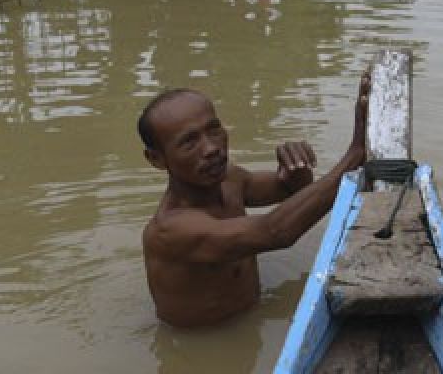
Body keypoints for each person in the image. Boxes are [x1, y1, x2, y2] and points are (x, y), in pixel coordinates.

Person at [139, 73, 370, 327]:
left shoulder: (229, 179)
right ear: (156, 159)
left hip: (249, 325)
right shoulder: (170, 231)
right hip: (200, 347)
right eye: (189, 141)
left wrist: (296, 174)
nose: (211, 148)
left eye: (213, 130)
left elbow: (285, 190)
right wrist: (355, 155)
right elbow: (275, 231)